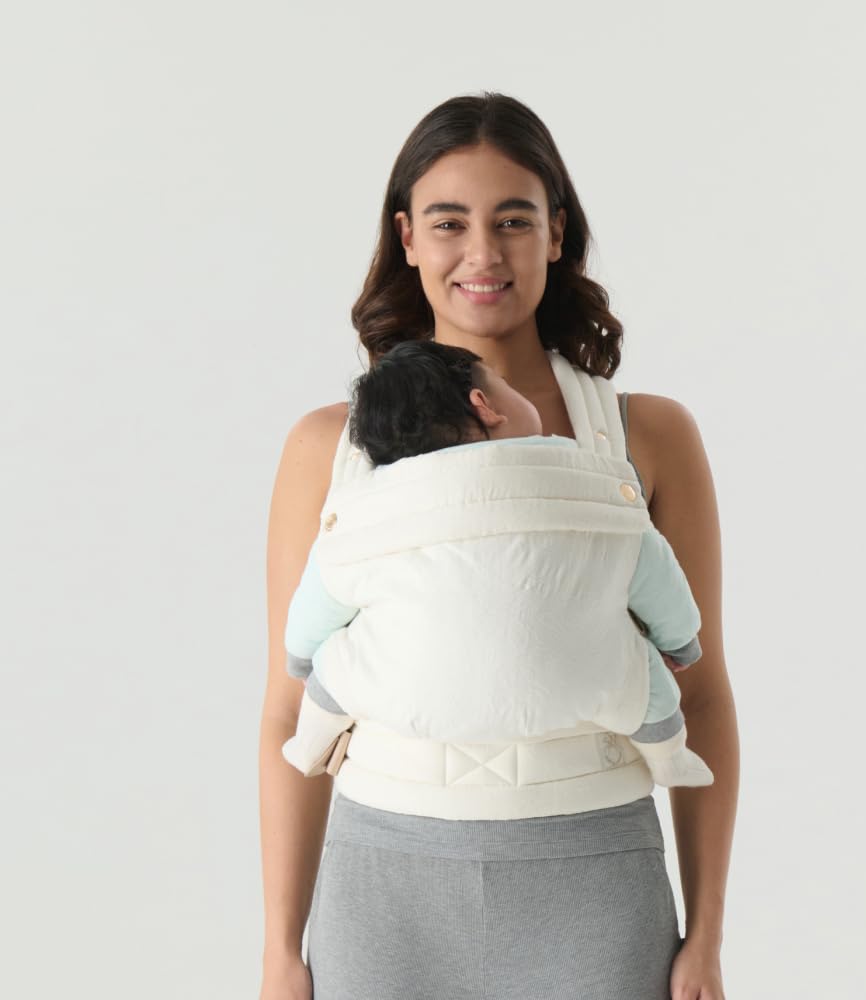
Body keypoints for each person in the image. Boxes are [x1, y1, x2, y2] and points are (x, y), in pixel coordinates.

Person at [259, 92, 738, 1000]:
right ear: (407, 238)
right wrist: (282, 951)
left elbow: (702, 695)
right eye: (450, 222)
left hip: (596, 877)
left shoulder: (649, 436)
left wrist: (706, 936)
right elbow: (290, 711)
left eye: (513, 220)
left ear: (557, 234)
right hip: (384, 888)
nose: (483, 253)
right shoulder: (328, 447)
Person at [280, 338, 713, 790]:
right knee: (646, 686)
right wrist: (680, 641)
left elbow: (321, 593)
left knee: (334, 673)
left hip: (402, 703)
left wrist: (302, 655)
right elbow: (653, 572)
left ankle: (308, 744)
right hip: (579, 699)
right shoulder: (588, 478)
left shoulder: (367, 510)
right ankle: (670, 759)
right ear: (485, 406)